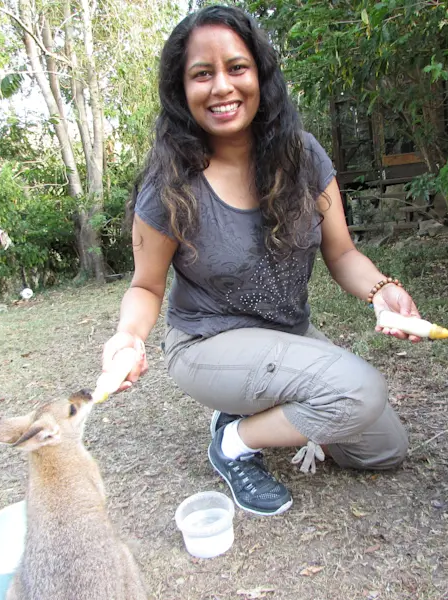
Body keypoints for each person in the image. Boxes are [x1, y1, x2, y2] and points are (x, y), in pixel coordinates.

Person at [101, 4, 423, 517]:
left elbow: (341, 252)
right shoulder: (170, 186)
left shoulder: (303, 156)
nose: (222, 87)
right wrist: (128, 337)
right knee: (359, 390)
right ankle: (233, 441)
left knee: (384, 450)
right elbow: (145, 288)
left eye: (236, 67)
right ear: (181, 91)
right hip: (208, 344)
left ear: (260, 75)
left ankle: (261, 402)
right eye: (201, 74)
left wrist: (382, 290)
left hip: (287, 334)